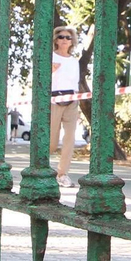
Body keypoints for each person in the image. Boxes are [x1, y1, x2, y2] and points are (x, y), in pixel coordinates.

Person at [50, 25, 82, 188]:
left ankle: (62, 174)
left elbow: (75, 84)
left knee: (70, 139)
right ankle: (41, 168)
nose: (64, 40)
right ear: (56, 40)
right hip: (54, 100)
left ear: (72, 42)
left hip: (72, 101)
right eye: (61, 37)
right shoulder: (50, 57)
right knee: (52, 142)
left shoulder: (74, 62)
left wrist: (78, 108)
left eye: (68, 38)